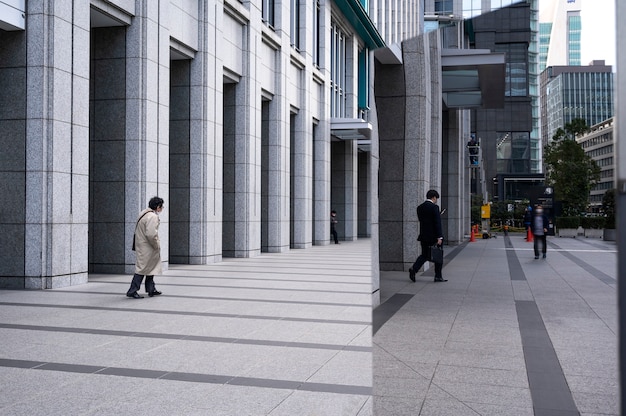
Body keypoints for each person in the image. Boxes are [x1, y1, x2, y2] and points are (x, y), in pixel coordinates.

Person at [127, 196, 164, 299]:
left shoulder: (143, 213)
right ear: (157, 207)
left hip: (142, 245)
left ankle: (151, 289)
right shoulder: (152, 216)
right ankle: (132, 290)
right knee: (142, 268)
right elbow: (151, 234)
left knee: (150, 267)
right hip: (148, 247)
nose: (162, 209)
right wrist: (156, 245)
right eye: (161, 207)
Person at [409, 189, 446, 283]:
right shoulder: (434, 207)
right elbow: (437, 223)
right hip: (434, 237)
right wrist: (439, 237)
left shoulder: (420, 207)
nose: (436, 200)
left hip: (424, 236)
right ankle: (438, 276)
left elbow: (424, 221)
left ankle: (414, 269)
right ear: (433, 197)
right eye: (436, 198)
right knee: (438, 256)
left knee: (424, 255)